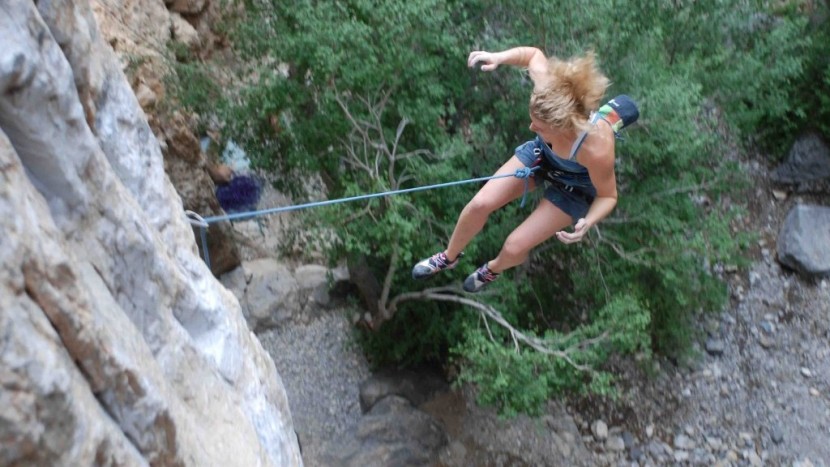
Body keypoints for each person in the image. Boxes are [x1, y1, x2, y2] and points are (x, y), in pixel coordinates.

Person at [411, 46, 617, 292]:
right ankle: (449, 256)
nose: (531, 127)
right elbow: (533, 55)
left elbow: (608, 196)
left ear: (563, 127)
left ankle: (493, 269)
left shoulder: (597, 148)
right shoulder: (548, 91)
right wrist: (499, 57)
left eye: (539, 126)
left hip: (574, 187)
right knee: (479, 204)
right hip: (543, 156)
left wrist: (588, 222)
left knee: (514, 246)